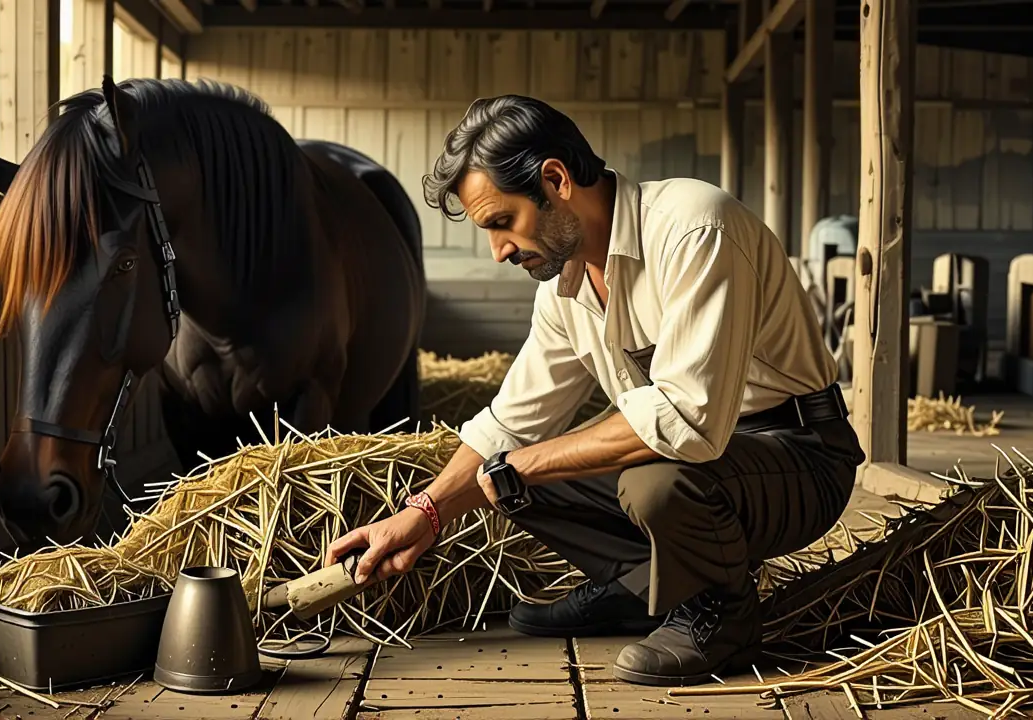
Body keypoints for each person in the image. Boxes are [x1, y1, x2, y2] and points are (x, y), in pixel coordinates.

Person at [324, 94, 866, 687]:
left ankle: (723, 614)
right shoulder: (564, 287)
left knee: (649, 481)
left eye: (502, 223)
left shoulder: (694, 227)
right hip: (705, 455)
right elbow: (510, 421)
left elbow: (686, 420)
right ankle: (645, 587)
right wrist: (424, 514)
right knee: (507, 477)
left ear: (554, 180)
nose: (499, 250)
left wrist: (517, 466)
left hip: (800, 454)